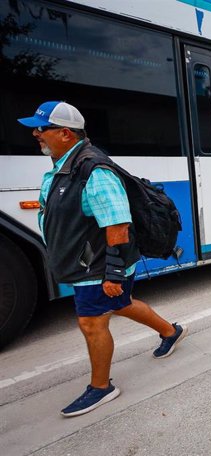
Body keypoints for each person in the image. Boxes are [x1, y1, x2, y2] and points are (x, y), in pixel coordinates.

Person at [18, 101, 187, 417]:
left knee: (91, 322)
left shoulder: (93, 170)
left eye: (42, 128)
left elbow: (118, 226)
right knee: (121, 304)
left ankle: (101, 388)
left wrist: (112, 273)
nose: (36, 133)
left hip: (97, 266)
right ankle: (170, 331)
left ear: (66, 133)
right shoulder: (64, 166)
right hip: (91, 263)